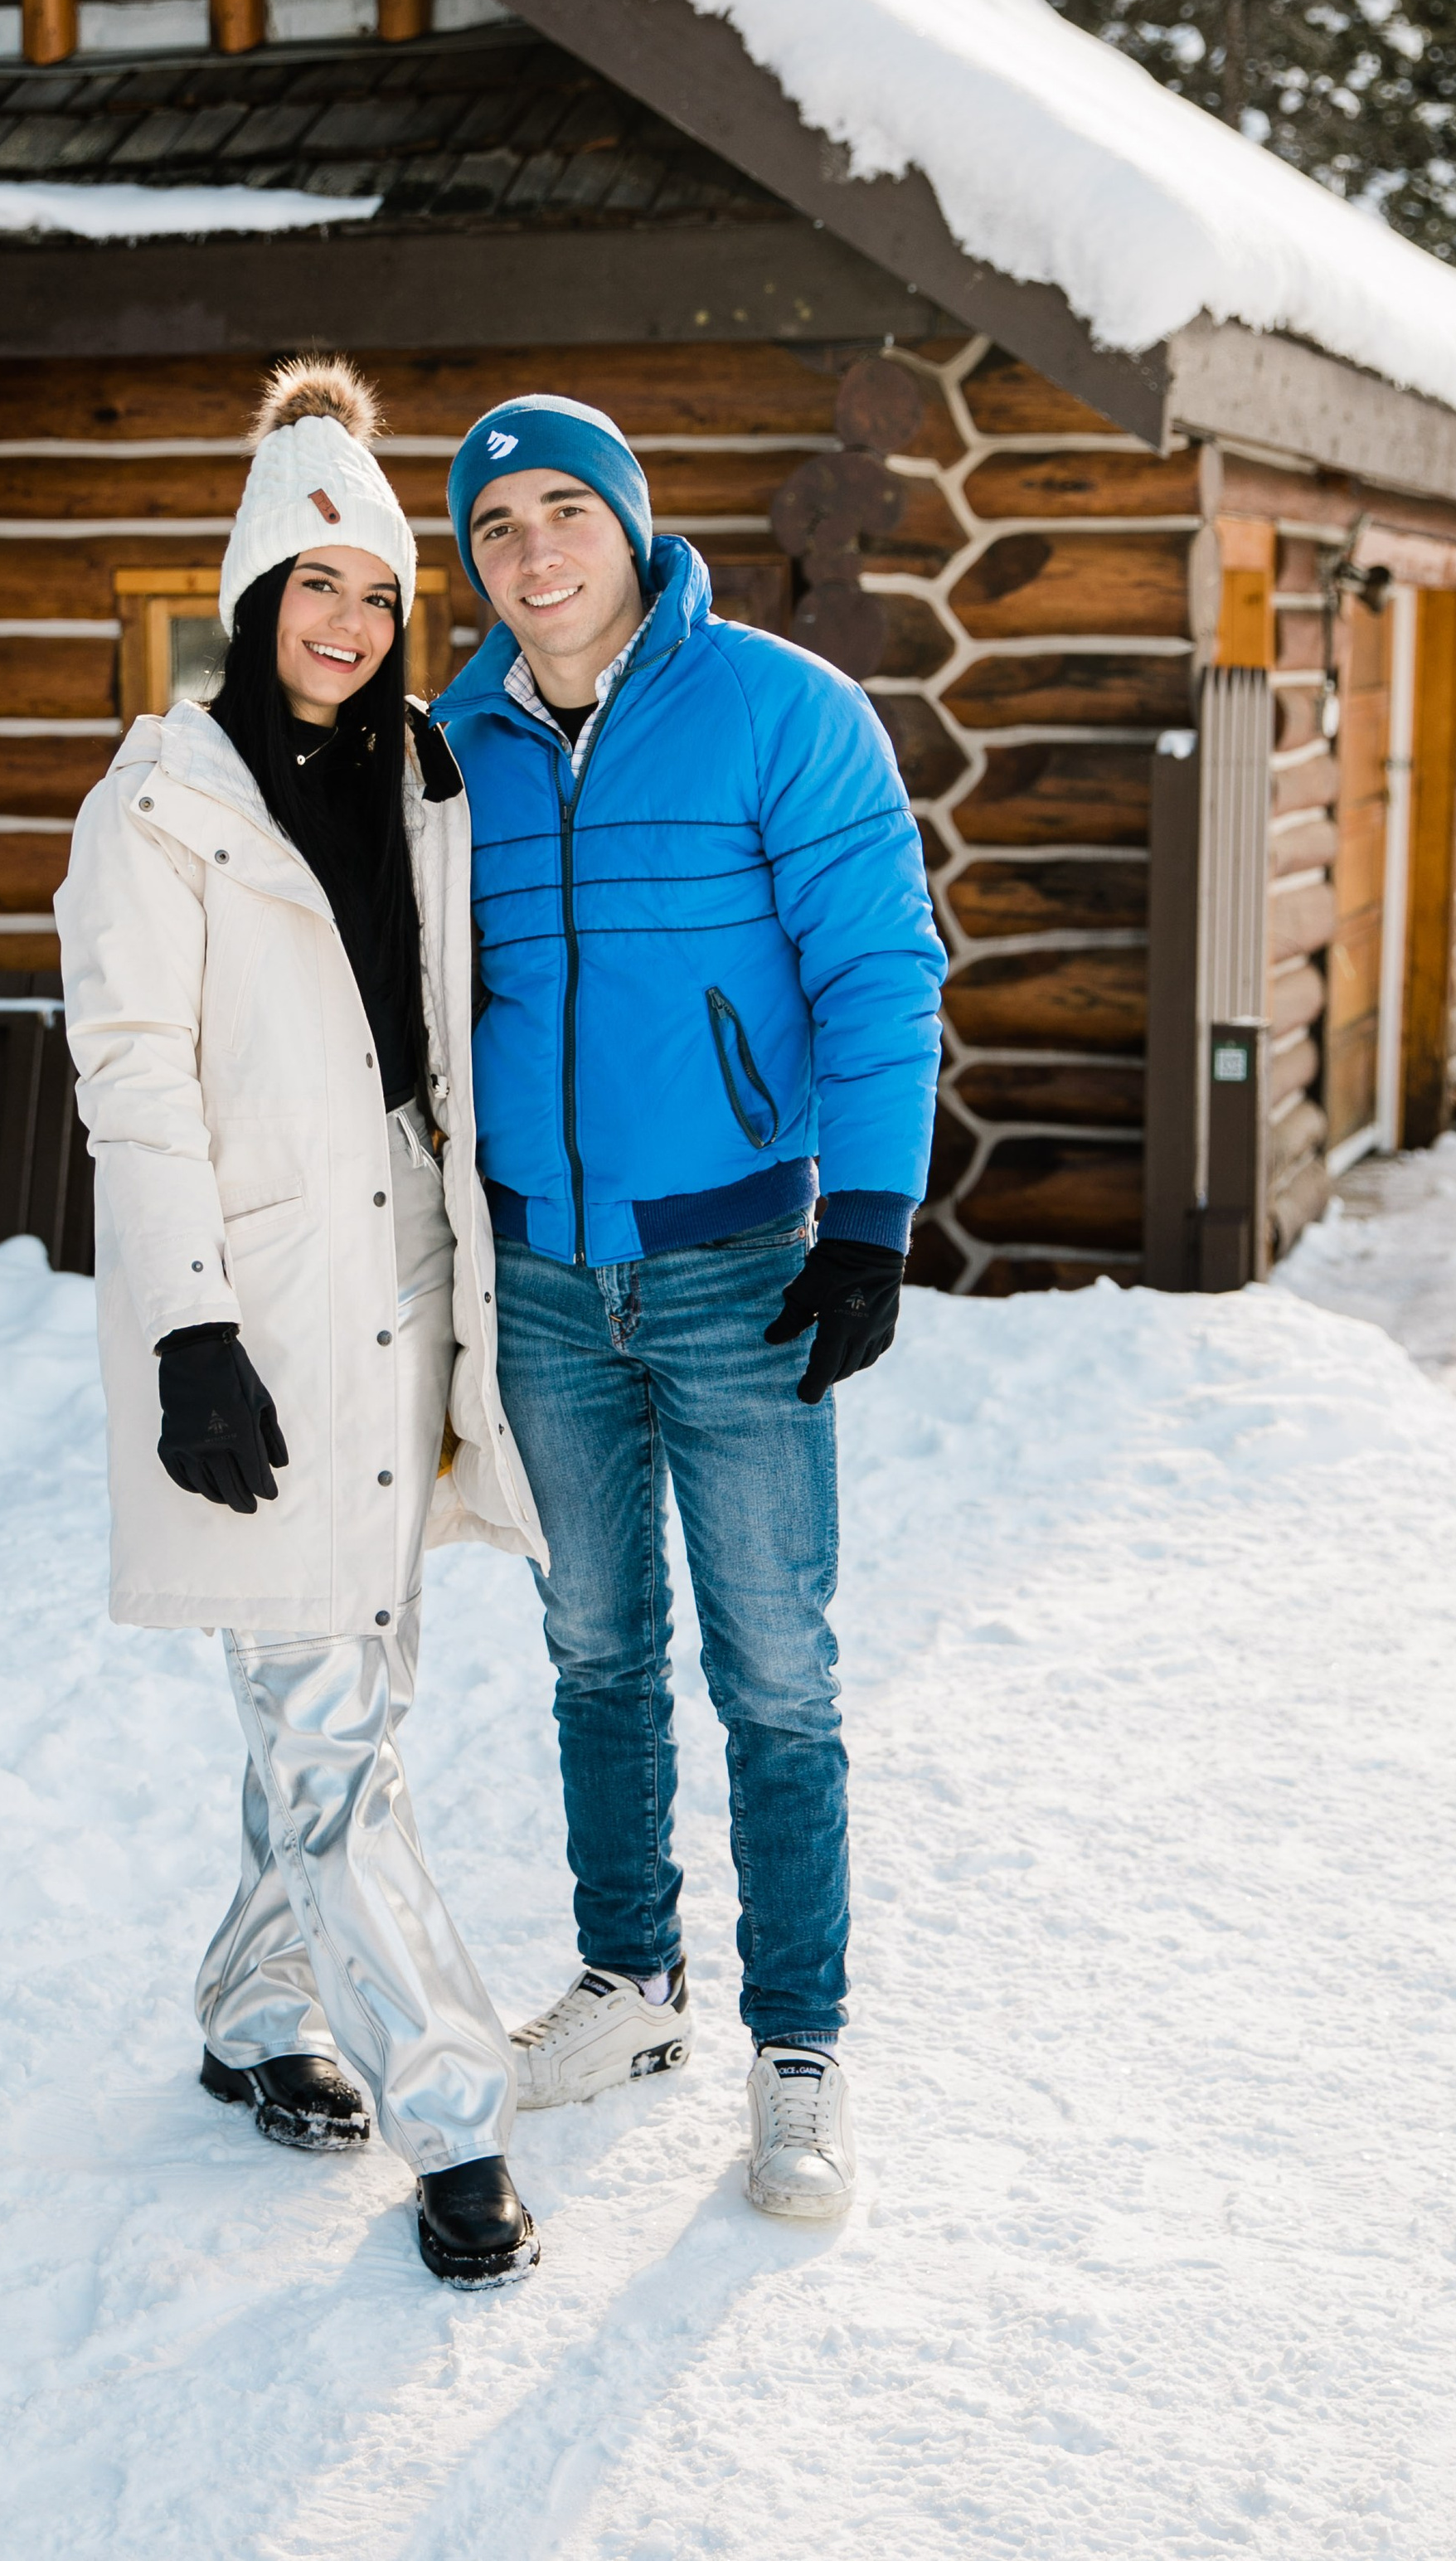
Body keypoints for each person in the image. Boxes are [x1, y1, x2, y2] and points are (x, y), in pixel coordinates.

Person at [55, 359, 546, 2286]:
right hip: (255, 1315)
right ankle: (456, 2119)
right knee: (329, 1732)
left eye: (376, 593)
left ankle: (257, 2006)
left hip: (410, 1287)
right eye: (312, 585)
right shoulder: (159, 803)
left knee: (352, 1704)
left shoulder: (422, 775)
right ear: (253, 593)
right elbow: (133, 1084)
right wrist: (188, 1331)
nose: (344, 622)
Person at [432, 394, 946, 2220]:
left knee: (775, 1661)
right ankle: (630, 1981)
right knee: (592, 1642)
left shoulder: (780, 710)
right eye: (497, 528)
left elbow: (878, 965)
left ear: (631, 524)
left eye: (565, 510)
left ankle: (795, 2044)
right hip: (538, 1277)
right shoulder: (452, 750)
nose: (535, 551)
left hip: (740, 1270)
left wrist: (866, 1219)